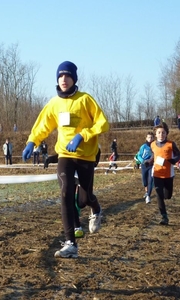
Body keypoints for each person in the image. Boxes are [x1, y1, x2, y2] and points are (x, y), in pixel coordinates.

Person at [22, 61, 109, 258]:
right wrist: (31, 142)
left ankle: (96, 208)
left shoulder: (85, 100)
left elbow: (103, 123)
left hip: (86, 156)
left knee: (84, 199)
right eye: (60, 76)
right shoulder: (54, 103)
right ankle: (70, 244)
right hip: (65, 156)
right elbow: (42, 125)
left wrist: (82, 135)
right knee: (65, 193)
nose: (64, 79)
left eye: (67, 76)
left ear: (74, 78)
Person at [147, 122, 180, 225]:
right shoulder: (152, 144)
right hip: (157, 174)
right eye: (159, 133)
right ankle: (164, 217)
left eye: (163, 133)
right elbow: (153, 156)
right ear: (155, 134)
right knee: (159, 195)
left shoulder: (171, 144)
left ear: (166, 133)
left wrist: (173, 160)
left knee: (168, 195)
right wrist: (148, 162)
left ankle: (166, 194)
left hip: (168, 175)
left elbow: (179, 155)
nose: (161, 135)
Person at [136, 132, 154, 204]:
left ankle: (148, 196)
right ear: (146, 138)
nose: (150, 139)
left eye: (151, 137)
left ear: (153, 138)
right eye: (149, 137)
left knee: (151, 179)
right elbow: (138, 155)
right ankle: (146, 191)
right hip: (144, 165)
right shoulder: (143, 146)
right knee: (144, 180)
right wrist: (142, 161)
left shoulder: (155, 146)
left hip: (151, 165)